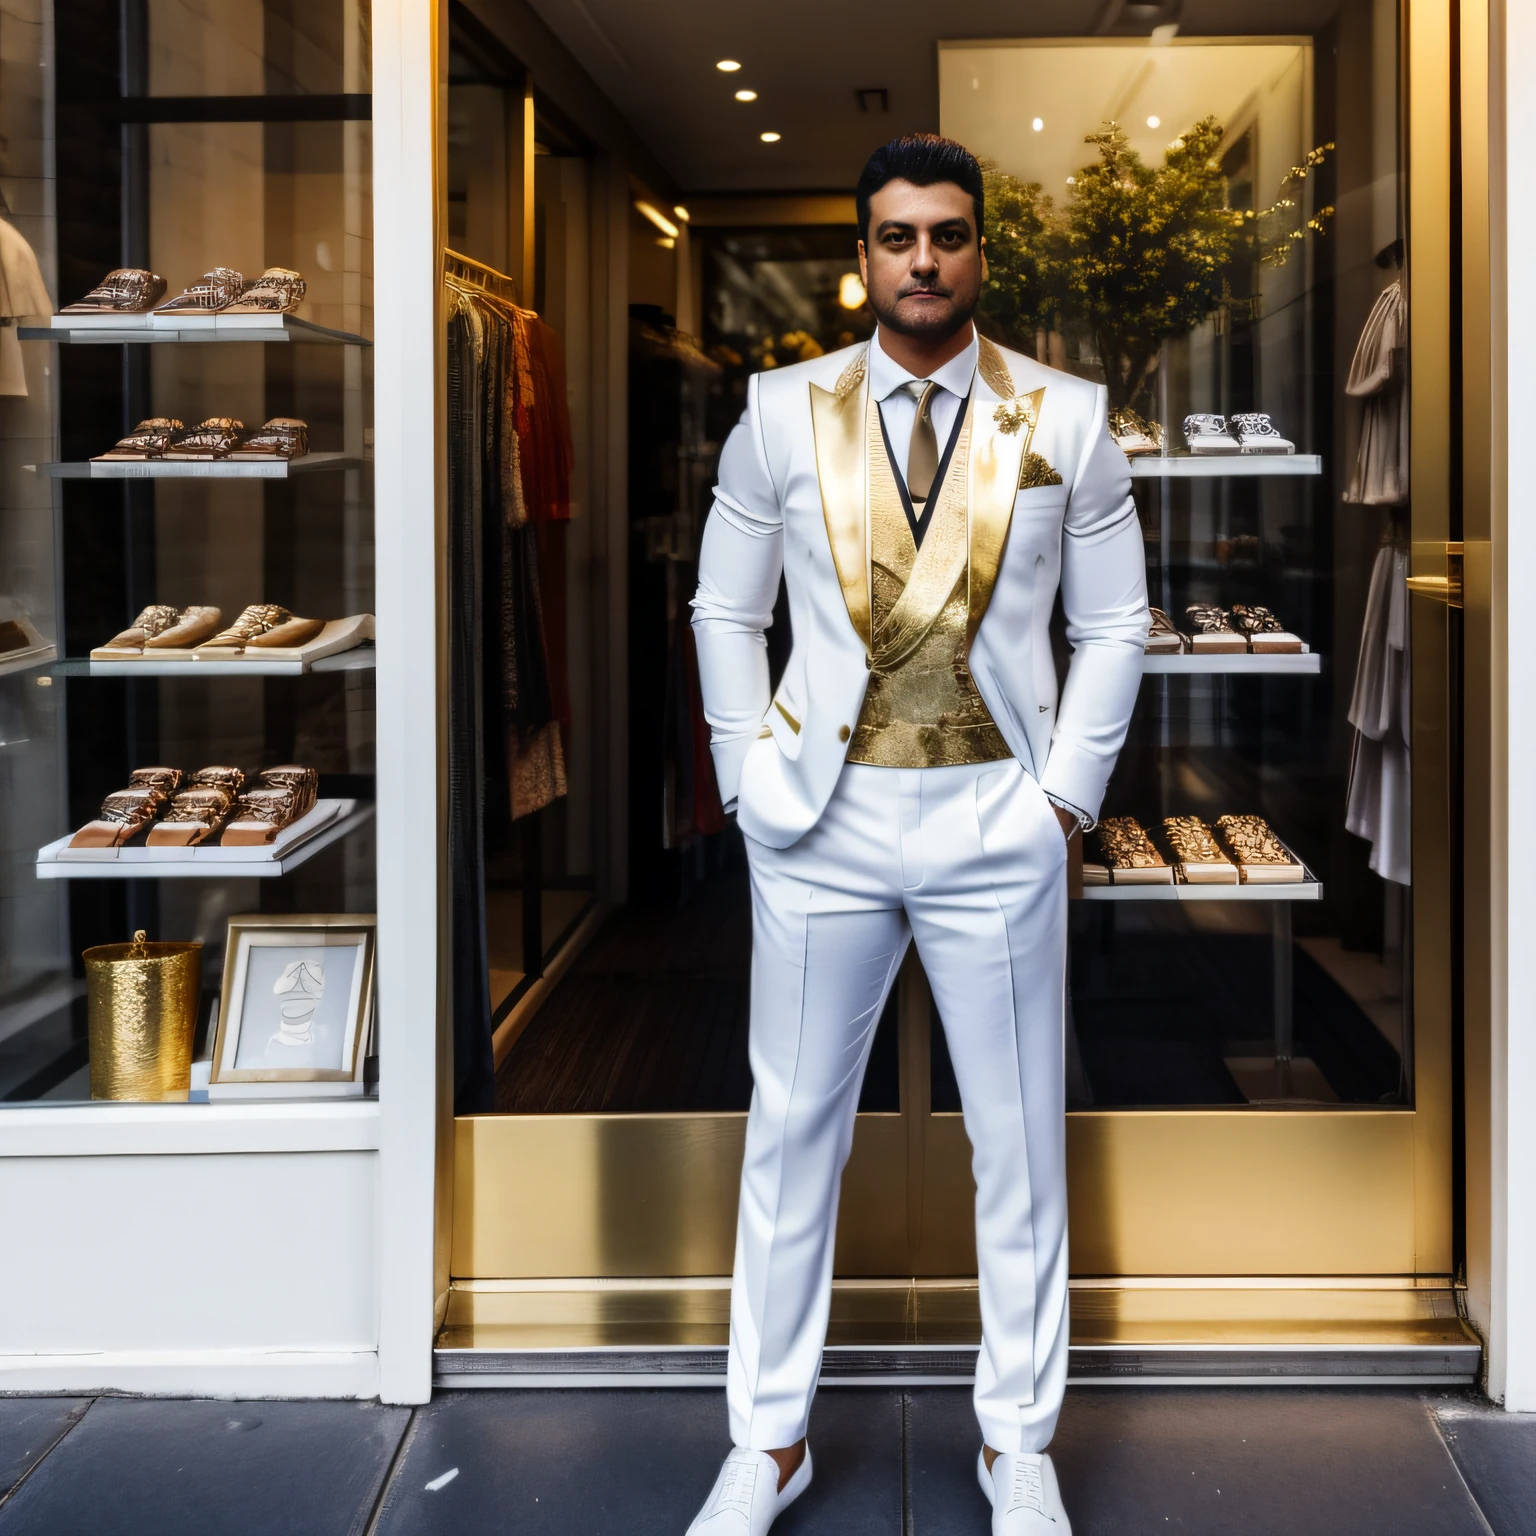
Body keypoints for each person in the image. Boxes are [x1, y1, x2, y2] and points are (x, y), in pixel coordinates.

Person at [684, 133, 1149, 1536]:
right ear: (866, 254)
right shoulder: (777, 410)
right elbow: (723, 607)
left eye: (948, 235)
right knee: (791, 1136)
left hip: (998, 816)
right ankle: (767, 1444)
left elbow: (1115, 621)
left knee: (1014, 1144)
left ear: (980, 250)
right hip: (818, 820)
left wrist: (1064, 797)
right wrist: (741, 784)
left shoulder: (1068, 416)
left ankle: (1019, 1443)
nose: (924, 260)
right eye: (898, 237)